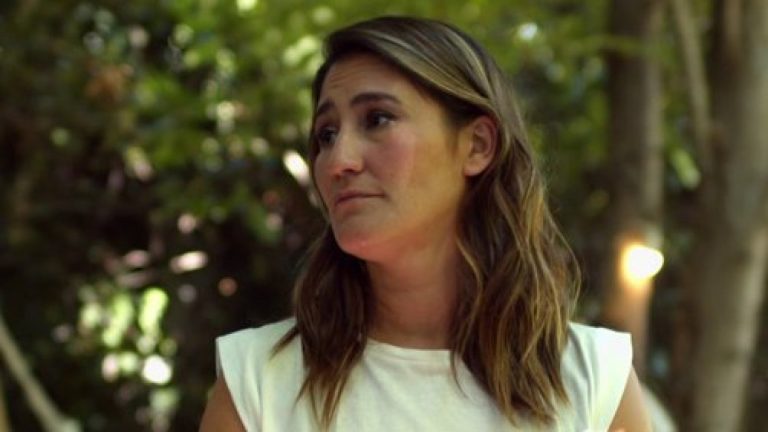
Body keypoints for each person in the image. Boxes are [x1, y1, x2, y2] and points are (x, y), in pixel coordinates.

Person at [200, 16, 651, 432]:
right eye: (326, 134)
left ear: (477, 145)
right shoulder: (256, 383)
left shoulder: (594, 380)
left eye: (377, 119)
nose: (338, 160)